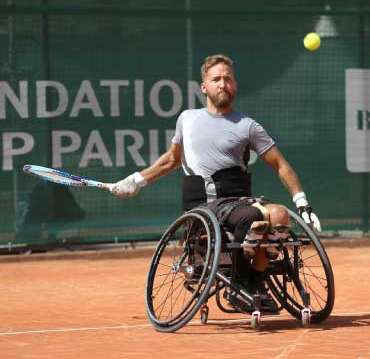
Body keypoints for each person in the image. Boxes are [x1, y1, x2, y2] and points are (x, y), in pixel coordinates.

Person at [109, 54, 321, 311]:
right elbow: (171, 161)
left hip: (238, 203)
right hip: (204, 207)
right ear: (204, 87)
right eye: (216, 79)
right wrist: (135, 181)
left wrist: (303, 204)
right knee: (252, 217)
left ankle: (255, 279)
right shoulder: (187, 119)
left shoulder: (248, 126)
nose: (223, 84)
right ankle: (241, 285)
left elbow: (280, 164)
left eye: (228, 79)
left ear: (235, 85)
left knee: (278, 216)